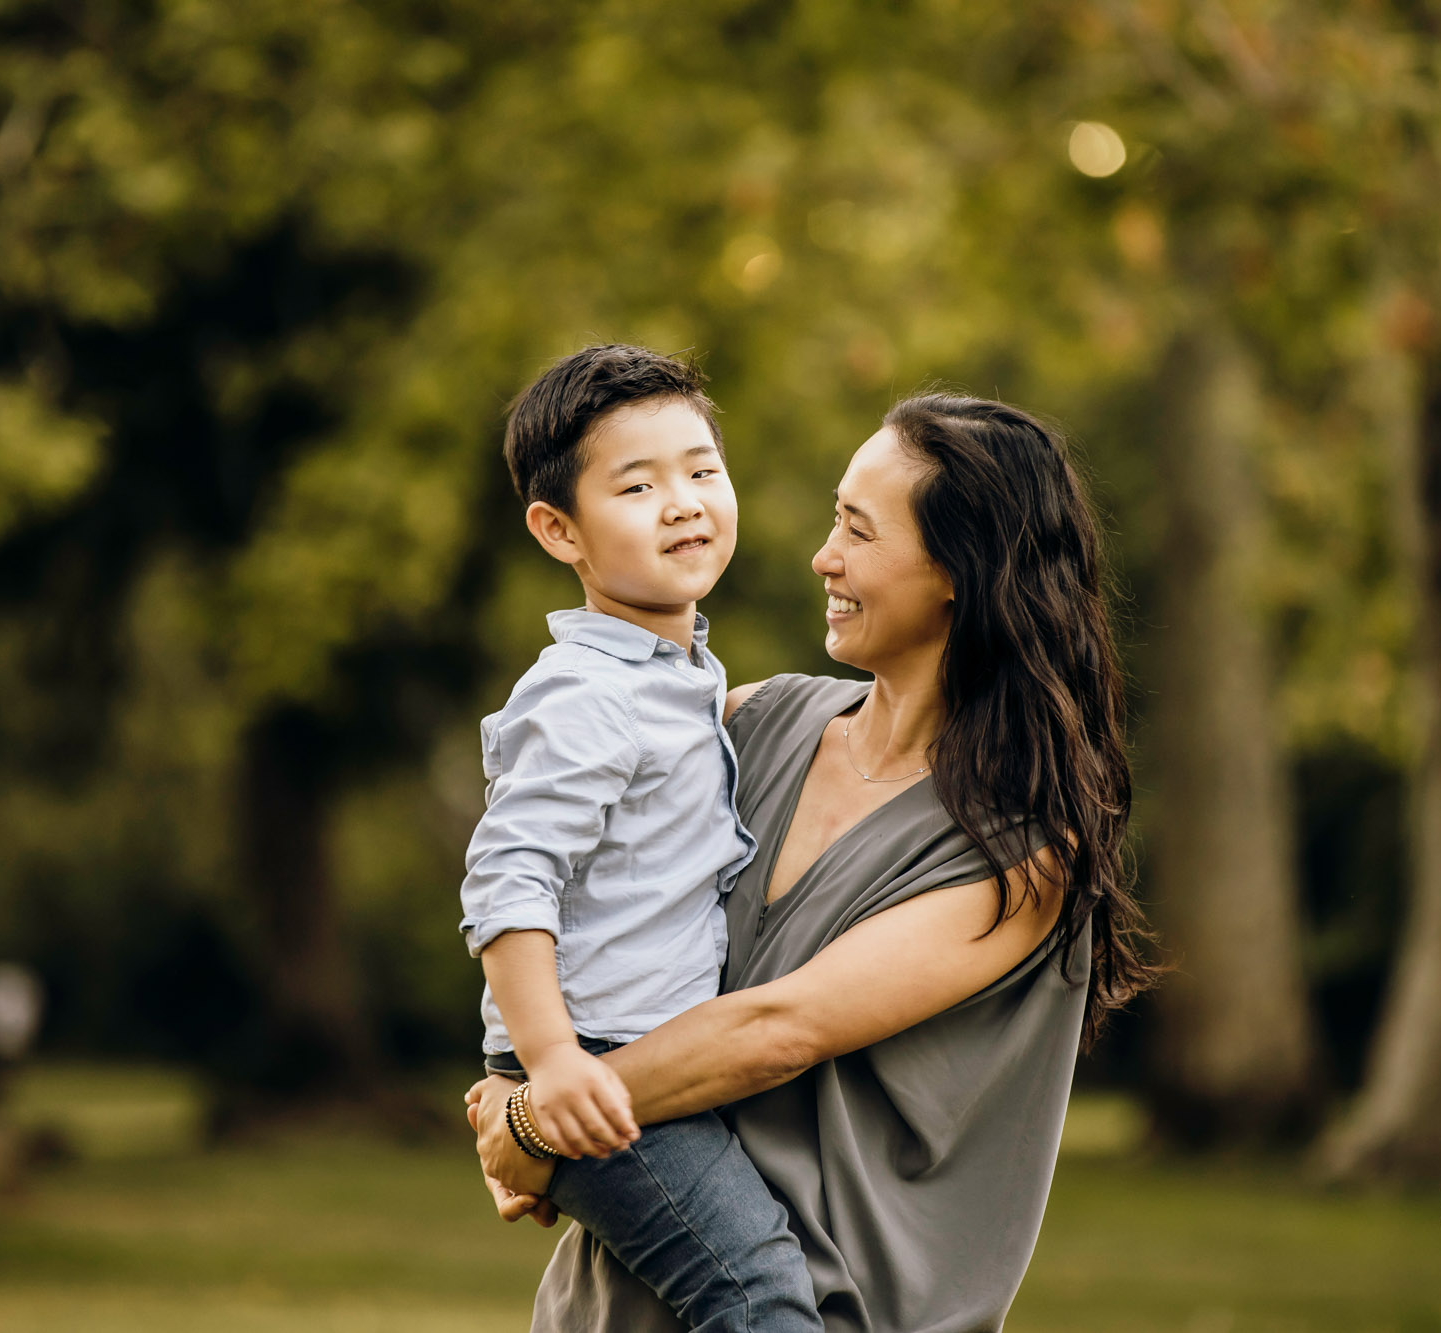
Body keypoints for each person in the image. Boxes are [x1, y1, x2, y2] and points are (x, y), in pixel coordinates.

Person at [469, 393, 1161, 1333]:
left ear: (962, 571)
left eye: (858, 530)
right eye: (835, 516)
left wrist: (535, 1121)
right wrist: (530, 1073)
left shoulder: (1023, 852)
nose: (822, 555)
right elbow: (545, 872)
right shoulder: (744, 726)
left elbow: (775, 1030)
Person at [459, 343, 823, 1332]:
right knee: (758, 1296)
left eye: (701, 469)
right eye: (636, 484)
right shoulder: (587, 692)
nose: (683, 501)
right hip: (603, 1066)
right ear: (556, 528)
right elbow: (507, 881)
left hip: (635, 1057)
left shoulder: (680, 674)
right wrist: (553, 1063)